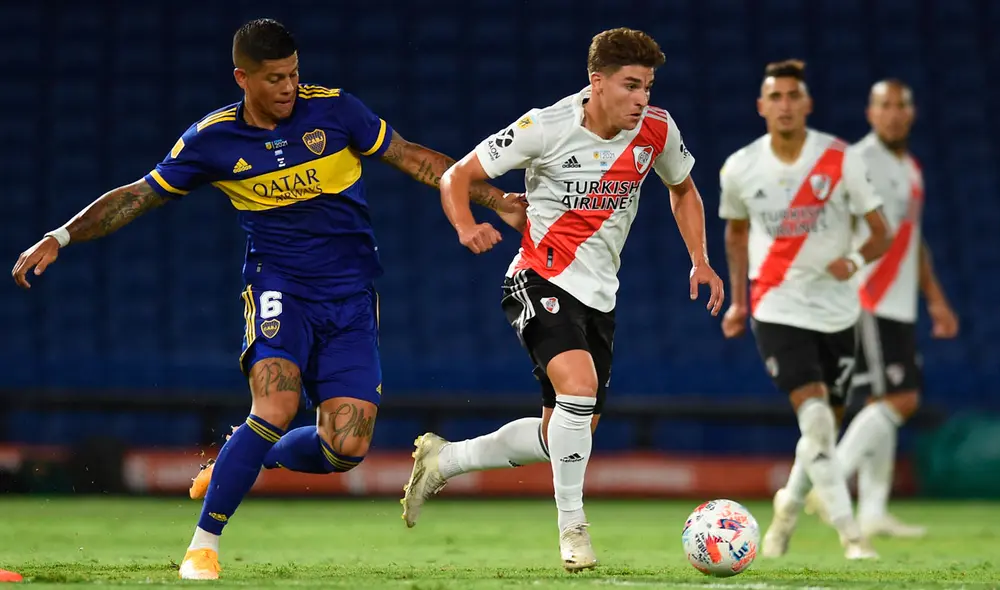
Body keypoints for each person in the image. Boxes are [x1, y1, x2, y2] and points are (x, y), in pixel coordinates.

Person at [10, 18, 525, 581]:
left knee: (346, 447)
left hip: (351, 296)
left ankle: (242, 453)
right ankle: (202, 546)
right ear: (243, 78)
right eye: (276, 78)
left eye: (295, 75)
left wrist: (493, 197)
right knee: (275, 408)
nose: (289, 87)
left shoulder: (337, 111)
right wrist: (60, 236)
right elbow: (137, 196)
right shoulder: (213, 139)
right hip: (280, 287)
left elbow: (413, 157)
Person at [399, 27, 725, 572]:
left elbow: (683, 188)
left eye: (647, 86)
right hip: (537, 277)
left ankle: (446, 459)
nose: (642, 98)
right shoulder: (544, 126)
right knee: (580, 386)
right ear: (596, 83)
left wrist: (700, 258)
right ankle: (573, 530)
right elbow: (458, 176)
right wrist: (466, 226)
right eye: (630, 86)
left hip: (600, 296)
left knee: (563, 437)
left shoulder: (657, 131)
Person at [717, 59, 891, 560]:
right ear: (761, 106)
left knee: (822, 432)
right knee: (815, 420)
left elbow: (880, 231)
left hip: (838, 312)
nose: (785, 105)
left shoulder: (840, 159)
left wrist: (855, 259)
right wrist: (739, 300)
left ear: (808, 104)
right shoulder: (740, 167)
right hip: (776, 306)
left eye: (794, 96)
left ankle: (787, 509)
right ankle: (851, 535)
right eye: (776, 97)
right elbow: (735, 232)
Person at [802, 79, 959, 538]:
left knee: (880, 402)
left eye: (900, 106)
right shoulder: (860, 161)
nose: (892, 113)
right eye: (883, 106)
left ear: (910, 114)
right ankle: (828, 485)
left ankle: (872, 511)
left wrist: (936, 299)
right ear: (870, 114)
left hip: (900, 303)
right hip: (867, 295)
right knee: (902, 399)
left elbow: (914, 242)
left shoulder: (911, 168)